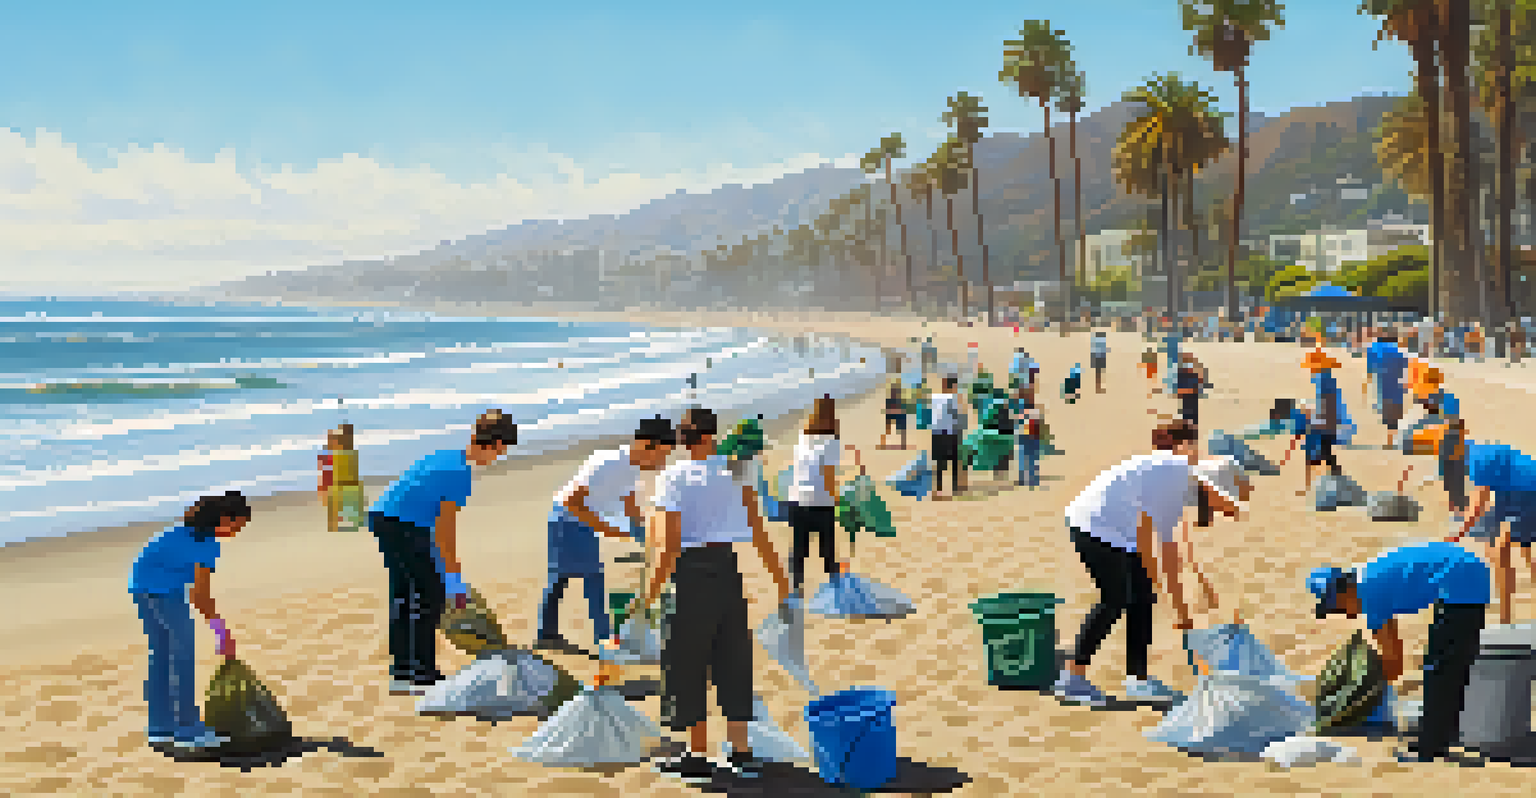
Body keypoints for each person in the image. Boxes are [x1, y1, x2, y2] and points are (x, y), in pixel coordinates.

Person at [637, 407, 791, 782]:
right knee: (732, 657)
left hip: (690, 574)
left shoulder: (672, 477)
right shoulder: (735, 472)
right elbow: (757, 529)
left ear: (683, 440)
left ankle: (697, 754)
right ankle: (741, 752)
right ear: (711, 435)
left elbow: (669, 543)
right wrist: (781, 582)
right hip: (727, 569)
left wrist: (647, 595)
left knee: (686, 663)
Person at [1052, 419, 1229, 707]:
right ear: (1184, 446)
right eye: (1195, 444)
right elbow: (1168, 550)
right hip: (1094, 527)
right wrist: (1183, 611)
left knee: (1143, 598)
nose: (1198, 452)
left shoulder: (1172, 472)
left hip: (1120, 533)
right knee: (1115, 598)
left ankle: (1139, 679)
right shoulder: (1175, 470)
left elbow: (1162, 540)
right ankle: (1072, 677)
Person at [369, 410, 516, 695]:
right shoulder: (460, 474)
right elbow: (445, 532)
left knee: (404, 595)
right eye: (502, 451)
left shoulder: (446, 456)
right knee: (430, 596)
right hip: (403, 524)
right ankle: (423, 676)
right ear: (497, 444)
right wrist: (453, 578)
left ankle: (402, 675)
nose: (498, 457)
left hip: (383, 517)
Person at [1308, 543, 1489, 763]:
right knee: (1446, 667)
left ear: (1345, 591)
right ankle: (1439, 737)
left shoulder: (1369, 593)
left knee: (1440, 669)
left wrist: (1368, 692)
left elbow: (1392, 659)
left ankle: (1430, 747)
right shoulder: (1368, 578)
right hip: (1467, 575)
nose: (1344, 615)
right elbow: (1395, 655)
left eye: (1337, 608)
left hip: (1460, 583)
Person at [538, 417, 674, 653]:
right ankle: (605, 640)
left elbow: (630, 507)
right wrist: (605, 529)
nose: (662, 464)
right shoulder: (608, 462)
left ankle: (546, 635)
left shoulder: (633, 468)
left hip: (579, 521)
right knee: (591, 577)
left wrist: (644, 533)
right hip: (566, 519)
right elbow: (572, 502)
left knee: (560, 578)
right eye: (662, 456)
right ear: (646, 445)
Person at [129, 491, 253, 751]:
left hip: (143, 589)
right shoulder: (206, 544)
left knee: (162, 658)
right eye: (236, 525)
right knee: (182, 660)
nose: (236, 532)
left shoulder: (185, 532)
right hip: (162, 594)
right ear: (223, 519)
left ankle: (161, 729)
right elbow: (200, 595)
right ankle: (187, 730)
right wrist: (221, 631)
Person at [1422, 433, 1536, 626]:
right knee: (1503, 549)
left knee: (1501, 550)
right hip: (1511, 492)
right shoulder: (1475, 449)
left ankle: (1505, 618)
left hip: (1526, 492)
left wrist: (1456, 535)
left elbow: (1478, 505)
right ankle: (1505, 616)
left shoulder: (1477, 462)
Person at [788, 396, 861, 594]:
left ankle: (795, 585)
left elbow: (800, 470)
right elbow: (828, 477)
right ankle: (833, 582)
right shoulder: (830, 442)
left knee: (799, 546)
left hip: (796, 498)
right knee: (826, 545)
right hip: (819, 501)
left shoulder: (802, 439)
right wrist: (838, 499)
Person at [1364, 331, 1410, 449]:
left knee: (1388, 413)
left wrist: (1368, 382)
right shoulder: (1399, 351)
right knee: (1395, 415)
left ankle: (1391, 440)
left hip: (1384, 387)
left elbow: (1370, 368)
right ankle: (1392, 440)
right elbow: (1405, 369)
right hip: (1397, 386)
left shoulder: (1375, 349)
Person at [319, 424, 365, 533]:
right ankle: (353, 520)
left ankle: (335, 523)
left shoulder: (339, 452)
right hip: (348, 484)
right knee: (352, 496)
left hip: (343, 484)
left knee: (338, 499)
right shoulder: (348, 452)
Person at [931, 375, 967, 498]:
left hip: (936, 433)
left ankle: (938, 489)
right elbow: (959, 418)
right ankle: (955, 489)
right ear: (954, 386)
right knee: (955, 462)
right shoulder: (954, 399)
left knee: (939, 464)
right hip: (951, 433)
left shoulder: (934, 398)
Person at [1174, 354, 1203, 427]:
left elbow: (1198, 388)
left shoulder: (1194, 375)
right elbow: (1179, 391)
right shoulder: (1181, 374)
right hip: (1186, 403)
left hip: (1193, 402)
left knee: (1192, 423)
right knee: (1188, 422)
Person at [880, 380, 909, 450]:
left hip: (898, 414)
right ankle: (884, 442)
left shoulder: (900, 401)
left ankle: (903, 443)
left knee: (902, 425)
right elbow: (888, 410)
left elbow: (903, 410)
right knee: (888, 426)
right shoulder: (890, 401)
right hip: (893, 414)